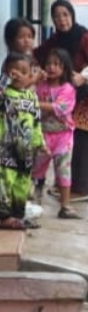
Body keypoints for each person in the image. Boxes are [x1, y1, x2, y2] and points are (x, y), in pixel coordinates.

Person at [35, 0, 88, 203]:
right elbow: (38, 55)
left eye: (65, 15)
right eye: (57, 16)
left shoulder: (86, 38)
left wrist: (83, 77)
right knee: (68, 142)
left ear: (72, 15)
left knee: (82, 142)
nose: (61, 20)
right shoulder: (56, 40)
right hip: (68, 97)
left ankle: (82, 187)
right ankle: (68, 184)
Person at [32, 48, 79, 219]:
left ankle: (65, 205)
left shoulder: (68, 88)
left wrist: (38, 104)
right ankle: (34, 200)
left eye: (56, 64)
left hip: (63, 136)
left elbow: (60, 108)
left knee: (63, 170)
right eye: (49, 64)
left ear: (64, 68)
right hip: (42, 134)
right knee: (37, 169)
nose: (51, 67)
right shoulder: (40, 86)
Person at [0, 53, 44, 230]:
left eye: (24, 72)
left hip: (25, 151)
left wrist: (39, 142)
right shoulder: (4, 95)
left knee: (22, 182)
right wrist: (4, 80)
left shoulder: (31, 97)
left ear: (30, 76)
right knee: (5, 181)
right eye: (14, 71)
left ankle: (18, 213)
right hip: (5, 148)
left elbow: (36, 121)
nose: (19, 74)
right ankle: (3, 216)